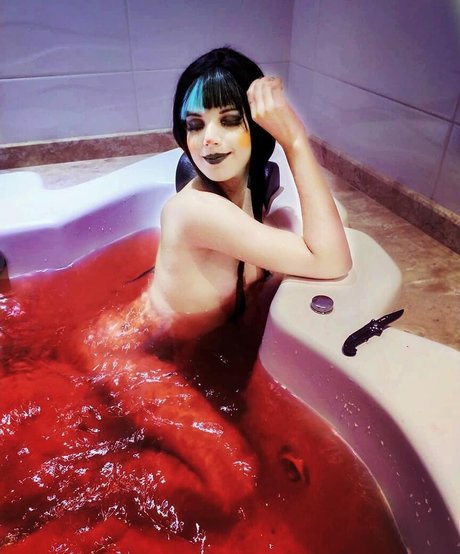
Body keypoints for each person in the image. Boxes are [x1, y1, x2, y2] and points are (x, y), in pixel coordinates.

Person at [147, 47, 351, 338]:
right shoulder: (193, 211)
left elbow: (332, 227)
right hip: (153, 349)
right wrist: (294, 141)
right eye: (195, 125)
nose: (209, 139)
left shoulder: (247, 191)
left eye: (229, 121)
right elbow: (332, 262)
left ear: (258, 127)